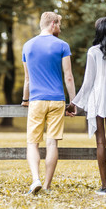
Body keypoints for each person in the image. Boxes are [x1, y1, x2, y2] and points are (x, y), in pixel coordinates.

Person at [71, 16, 106, 196]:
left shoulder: (93, 51)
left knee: (100, 142)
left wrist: (75, 103)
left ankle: (104, 187)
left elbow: (88, 82)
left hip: (97, 100)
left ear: (100, 31)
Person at [21, 11, 76, 195]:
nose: (59, 28)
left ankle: (35, 179)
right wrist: (73, 102)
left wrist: (24, 100)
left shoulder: (27, 46)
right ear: (53, 24)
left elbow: (27, 79)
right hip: (57, 100)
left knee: (32, 143)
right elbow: (68, 77)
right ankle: (46, 185)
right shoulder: (62, 45)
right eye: (59, 24)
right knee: (51, 143)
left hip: (36, 100)